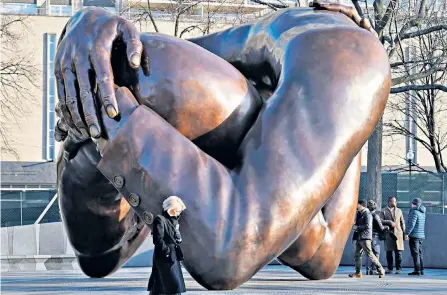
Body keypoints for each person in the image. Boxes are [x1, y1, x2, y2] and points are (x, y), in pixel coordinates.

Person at [54, 2, 391, 289]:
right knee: (314, 248)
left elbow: (237, 248)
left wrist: (85, 28)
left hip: (333, 64)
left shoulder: (333, 51)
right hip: (333, 64)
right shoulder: (335, 49)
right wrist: (84, 27)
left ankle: (97, 117)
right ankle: (99, 115)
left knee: (313, 250)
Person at [148, 196, 187, 295]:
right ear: (171, 209)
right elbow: (158, 239)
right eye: (178, 210)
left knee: (162, 283)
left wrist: (178, 238)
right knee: (173, 284)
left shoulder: (174, 221)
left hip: (172, 255)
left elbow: (173, 237)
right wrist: (167, 251)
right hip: (165, 256)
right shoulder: (160, 219)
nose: (179, 213)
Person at [349, 200, 385, 278]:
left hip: (365, 237)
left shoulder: (367, 214)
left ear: (361, 205)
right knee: (357, 255)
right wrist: (355, 224)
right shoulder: (359, 213)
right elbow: (359, 224)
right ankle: (358, 272)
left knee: (370, 254)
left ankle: (380, 269)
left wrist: (357, 227)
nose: (356, 206)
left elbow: (368, 226)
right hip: (359, 236)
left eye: (357, 204)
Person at [381, 196, 405, 274]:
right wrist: (389, 222)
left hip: (398, 233)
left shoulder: (399, 210)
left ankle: (399, 269)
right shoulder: (383, 211)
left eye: (395, 201)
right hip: (388, 234)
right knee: (389, 252)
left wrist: (404, 233)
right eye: (393, 201)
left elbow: (402, 222)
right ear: (389, 202)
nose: (394, 203)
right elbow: (380, 221)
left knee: (398, 252)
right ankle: (390, 269)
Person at [364, 200, 389, 275]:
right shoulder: (375, 216)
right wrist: (387, 227)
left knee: (368, 253)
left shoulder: (365, 215)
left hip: (366, 236)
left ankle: (368, 270)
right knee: (376, 253)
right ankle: (374, 269)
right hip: (374, 236)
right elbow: (381, 227)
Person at [405, 198, 426, 276]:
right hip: (421, 236)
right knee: (419, 253)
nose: (412, 205)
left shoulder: (414, 212)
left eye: (413, 203)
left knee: (415, 254)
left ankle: (417, 270)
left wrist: (406, 233)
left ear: (414, 204)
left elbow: (411, 224)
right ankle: (421, 269)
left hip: (414, 236)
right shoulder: (422, 212)